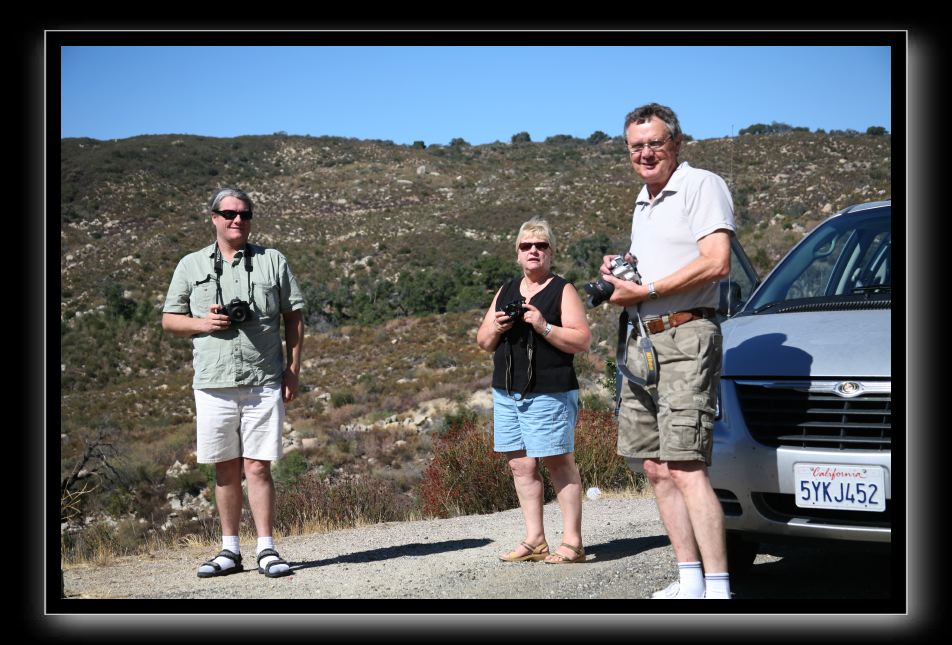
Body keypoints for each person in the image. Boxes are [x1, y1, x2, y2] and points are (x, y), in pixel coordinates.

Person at [599, 103, 735, 599]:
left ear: (676, 143)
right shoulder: (644, 200)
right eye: (637, 145)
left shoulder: (701, 185)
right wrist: (626, 269)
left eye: (655, 142)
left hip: (686, 334)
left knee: (686, 465)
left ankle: (719, 590)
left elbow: (717, 262)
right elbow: (660, 266)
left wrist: (648, 288)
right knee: (655, 467)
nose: (646, 152)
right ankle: (690, 580)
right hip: (643, 340)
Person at [162, 187, 305, 579]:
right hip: (213, 382)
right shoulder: (190, 266)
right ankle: (230, 550)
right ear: (213, 217)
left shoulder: (272, 261)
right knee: (224, 469)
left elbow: (294, 317)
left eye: (244, 214)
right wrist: (202, 323)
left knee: (258, 466)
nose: (236, 220)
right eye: (228, 213)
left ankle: (267, 549)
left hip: (263, 380)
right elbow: (169, 319)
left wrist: (292, 370)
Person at [476, 218, 592, 564]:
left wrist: (543, 325)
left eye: (541, 245)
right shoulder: (507, 289)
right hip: (507, 392)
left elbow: (581, 340)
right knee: (521, 466)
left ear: (551, 252)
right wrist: (497, 326)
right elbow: (483, 342)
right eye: (527, 246)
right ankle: (535, 540)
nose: (533, 251)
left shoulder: (562, 290)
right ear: (517, 253)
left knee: (558, 462)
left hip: (549, 391)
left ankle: (572, 542)